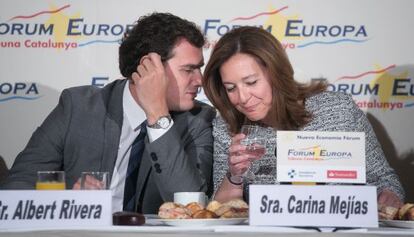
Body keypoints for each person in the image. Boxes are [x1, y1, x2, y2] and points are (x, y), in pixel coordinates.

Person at [1, 12, 216, 214]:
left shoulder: (198, 120)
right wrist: (67, 201)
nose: (199, 80)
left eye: (199, 68)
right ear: (148, 68)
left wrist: (158, 115)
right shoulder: (77, 107)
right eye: (189, 70)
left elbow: (191, 207)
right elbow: (18, 184)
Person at [202, 26, 404, 212]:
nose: (243, 98)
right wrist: (234, 175)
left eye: (251, 82)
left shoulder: (337, 109)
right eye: (231, 88)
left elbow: (386, 180)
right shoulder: (226, 128)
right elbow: (220, 211)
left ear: (276, 73)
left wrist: (388, 196)